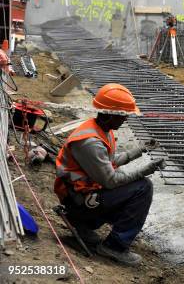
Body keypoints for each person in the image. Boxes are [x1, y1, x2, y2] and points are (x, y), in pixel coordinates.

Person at [54, 83, 165, 266]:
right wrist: (147, 170)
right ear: (111, 114)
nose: (126, 119)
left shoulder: (101, 130)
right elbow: (111, 181)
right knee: (143, 188)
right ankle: (114, 246)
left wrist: (141, 150)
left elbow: (108, 163)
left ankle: (85, 226)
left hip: (83, 196)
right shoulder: (90, 142)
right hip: (77, 202)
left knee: (129, 185)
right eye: (124, 115)